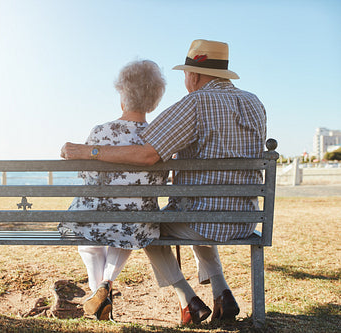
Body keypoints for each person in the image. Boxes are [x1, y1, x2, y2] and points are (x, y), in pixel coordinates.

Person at [61, 39, 267, 325]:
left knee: (149, 226)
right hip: (245, 218)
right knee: (199, 214)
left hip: (203, 219)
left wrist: (90, 151)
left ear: (193, 75)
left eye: (185, 74)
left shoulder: (195, 103)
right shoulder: (254, 102)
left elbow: (147, 154)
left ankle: (188, 298)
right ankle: (222, 293)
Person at [58, 59, 168, 320]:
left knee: (90, 240)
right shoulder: (160, 136)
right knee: (126, 229)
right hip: (137, 220)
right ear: (154, 101)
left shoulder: (100, 132)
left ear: (122, 96)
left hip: (94, 216)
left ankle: (98, 292)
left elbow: (86, 175)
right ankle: (105, 285)